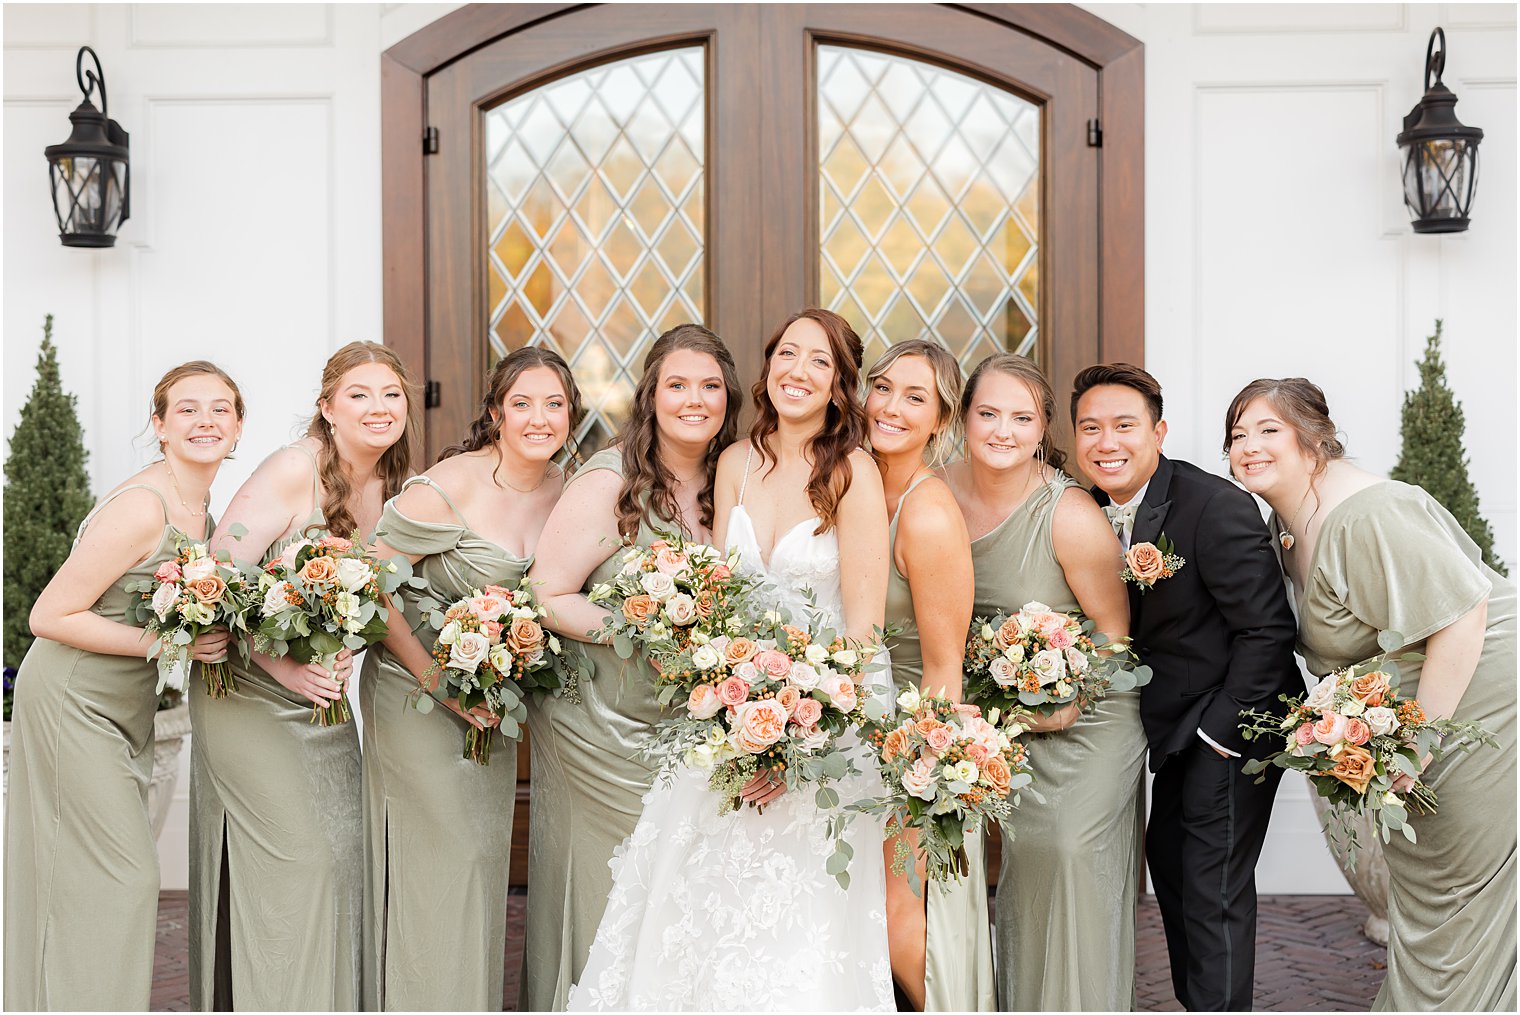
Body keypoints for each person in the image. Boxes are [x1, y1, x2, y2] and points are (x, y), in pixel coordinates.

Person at [568, 308, 895, 1011]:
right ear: (767, 366)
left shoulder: (855, 473)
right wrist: (737, 721)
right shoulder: (738, 462)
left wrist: (794, 740)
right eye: (787, 354)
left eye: (819, 361)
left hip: (825, 728)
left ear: (839, 385)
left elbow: (864, 636)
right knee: (704, 911)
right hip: (732, 717)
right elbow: (720, 605)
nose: (798, 371)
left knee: (798, 929)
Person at [1226, 377, 1515, 1011]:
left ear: (1315, 439)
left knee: (1460, 886)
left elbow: (1462, 620)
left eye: (1269, 429)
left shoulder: (1367, 512)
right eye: (1237, 434)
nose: (1248, 446)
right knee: (1427, 887)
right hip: (1421, 710)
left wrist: (1418, 747)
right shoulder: (1288, 518)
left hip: (1483, 695)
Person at [4, 361, 243, 1011]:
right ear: (159, 425)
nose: (205, 421)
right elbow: (48, 616)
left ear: (238, 426)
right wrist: (171, 644)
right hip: (71, 700)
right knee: (125, 877)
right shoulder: (144, 506)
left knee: (95, 879)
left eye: (220, 408)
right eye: (187, 409)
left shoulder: (204, 508)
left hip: (122, 707)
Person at [191, 341, 419, 1011]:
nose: (378, 408)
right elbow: (211, 580)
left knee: (341, 859)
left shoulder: (388, 486)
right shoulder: (293, 469)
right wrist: (281, 666)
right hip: (247, 690)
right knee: (300, 863)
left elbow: (362, 600)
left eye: (391, 395)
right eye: (360, 394)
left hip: (319, 701)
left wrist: (347, 649)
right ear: (327, 407)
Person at [521, 324, 741, 1011]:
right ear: (652, 395)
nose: (694, 400)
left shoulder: (731, 479)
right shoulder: (611, 479)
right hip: (598, 726)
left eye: (709, 386)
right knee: (608, 890)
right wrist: (641, 626)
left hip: (686, 728)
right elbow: (546, 593)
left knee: (676, 893)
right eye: (677, 385)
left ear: (729, 397)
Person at [358, 347, 582, 1009]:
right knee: (437, 867)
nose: (539, 418)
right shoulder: (446, 486)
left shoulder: (565, 490)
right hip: (416, 696)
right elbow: (369, 586)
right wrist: (437, 679)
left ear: (572, 414)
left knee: (478, 869)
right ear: (495, 414)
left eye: (554, 404)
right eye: (522, 404)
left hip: (489, 702)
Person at [1071, 362, 1299, 1011]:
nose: (1106, 442)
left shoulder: (1214, 505)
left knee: (1209, 885)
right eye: (1091, 427)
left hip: (1231, 720)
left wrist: (1217, 735)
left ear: (1159, 430)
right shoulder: (1083, 506)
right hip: (1172, 724)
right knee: (1170, 862)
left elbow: (1266, 631)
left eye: (1123, 425)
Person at [943, 353, 1143, 1011]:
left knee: (1065, 848)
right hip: (997, 718)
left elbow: (1117, 636)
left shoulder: (1068, 512)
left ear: (1042, 427)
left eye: (1021, 417)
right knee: (1021, 863)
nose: (1003, 430)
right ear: (964, 418)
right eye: (989, 413)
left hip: (1088, 716)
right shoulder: (934, 494)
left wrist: (1066, 701)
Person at [863, 340, 992, 1011]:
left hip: (910, 738)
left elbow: (945, 663)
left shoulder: (928, 511)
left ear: (941, 420)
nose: (891, 405)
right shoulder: (854, 484)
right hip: (851, 728)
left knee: (901, 915)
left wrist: (920, 777)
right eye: (883, 387)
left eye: (916, 397)